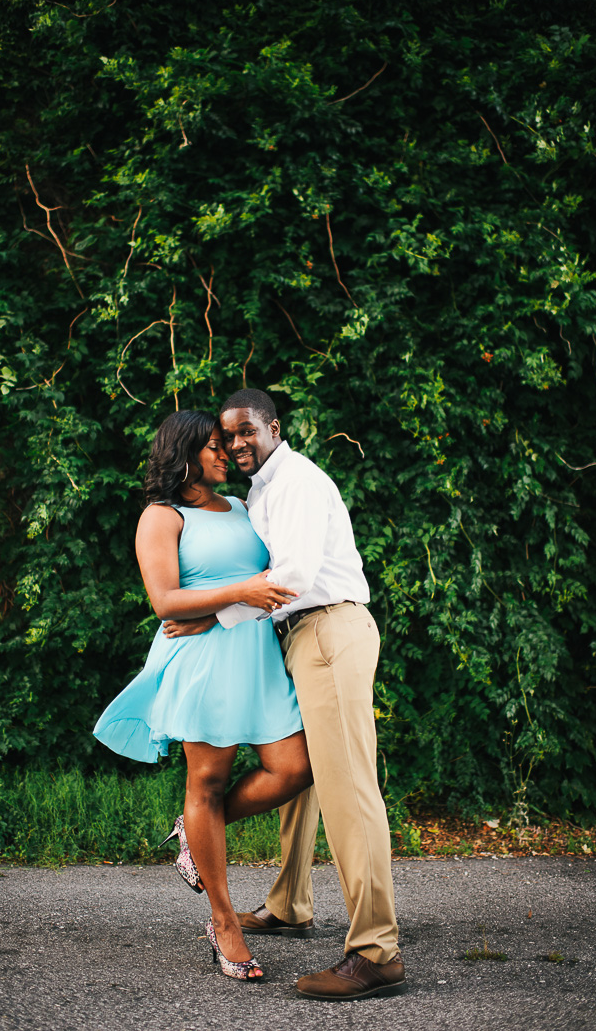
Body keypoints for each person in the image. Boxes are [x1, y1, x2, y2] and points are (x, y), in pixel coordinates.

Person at [172, 388, 405, 1000]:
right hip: (298, 636)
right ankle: (290, 905)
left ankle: (375, 949)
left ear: (274, 426)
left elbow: (296, 577)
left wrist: (213, 617)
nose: (236, 444)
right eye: (227, 437)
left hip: (329, 627)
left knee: (346, 787)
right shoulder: (260, 492)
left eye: (247, 431)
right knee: (301, 779)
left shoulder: (296, 480)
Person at [93, 409, 313, 982]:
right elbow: (165, 602)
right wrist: (241, 591)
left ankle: (194, 832)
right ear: (184, 454)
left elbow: (274, 582)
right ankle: (224, 923)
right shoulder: (161, 517)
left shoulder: (241, 508)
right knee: (207, 784)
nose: (228, 453)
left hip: (257, 659)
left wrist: (229, 603)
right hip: (203, 664)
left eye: (227, 444)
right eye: (215, 446)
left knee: (294, 768)